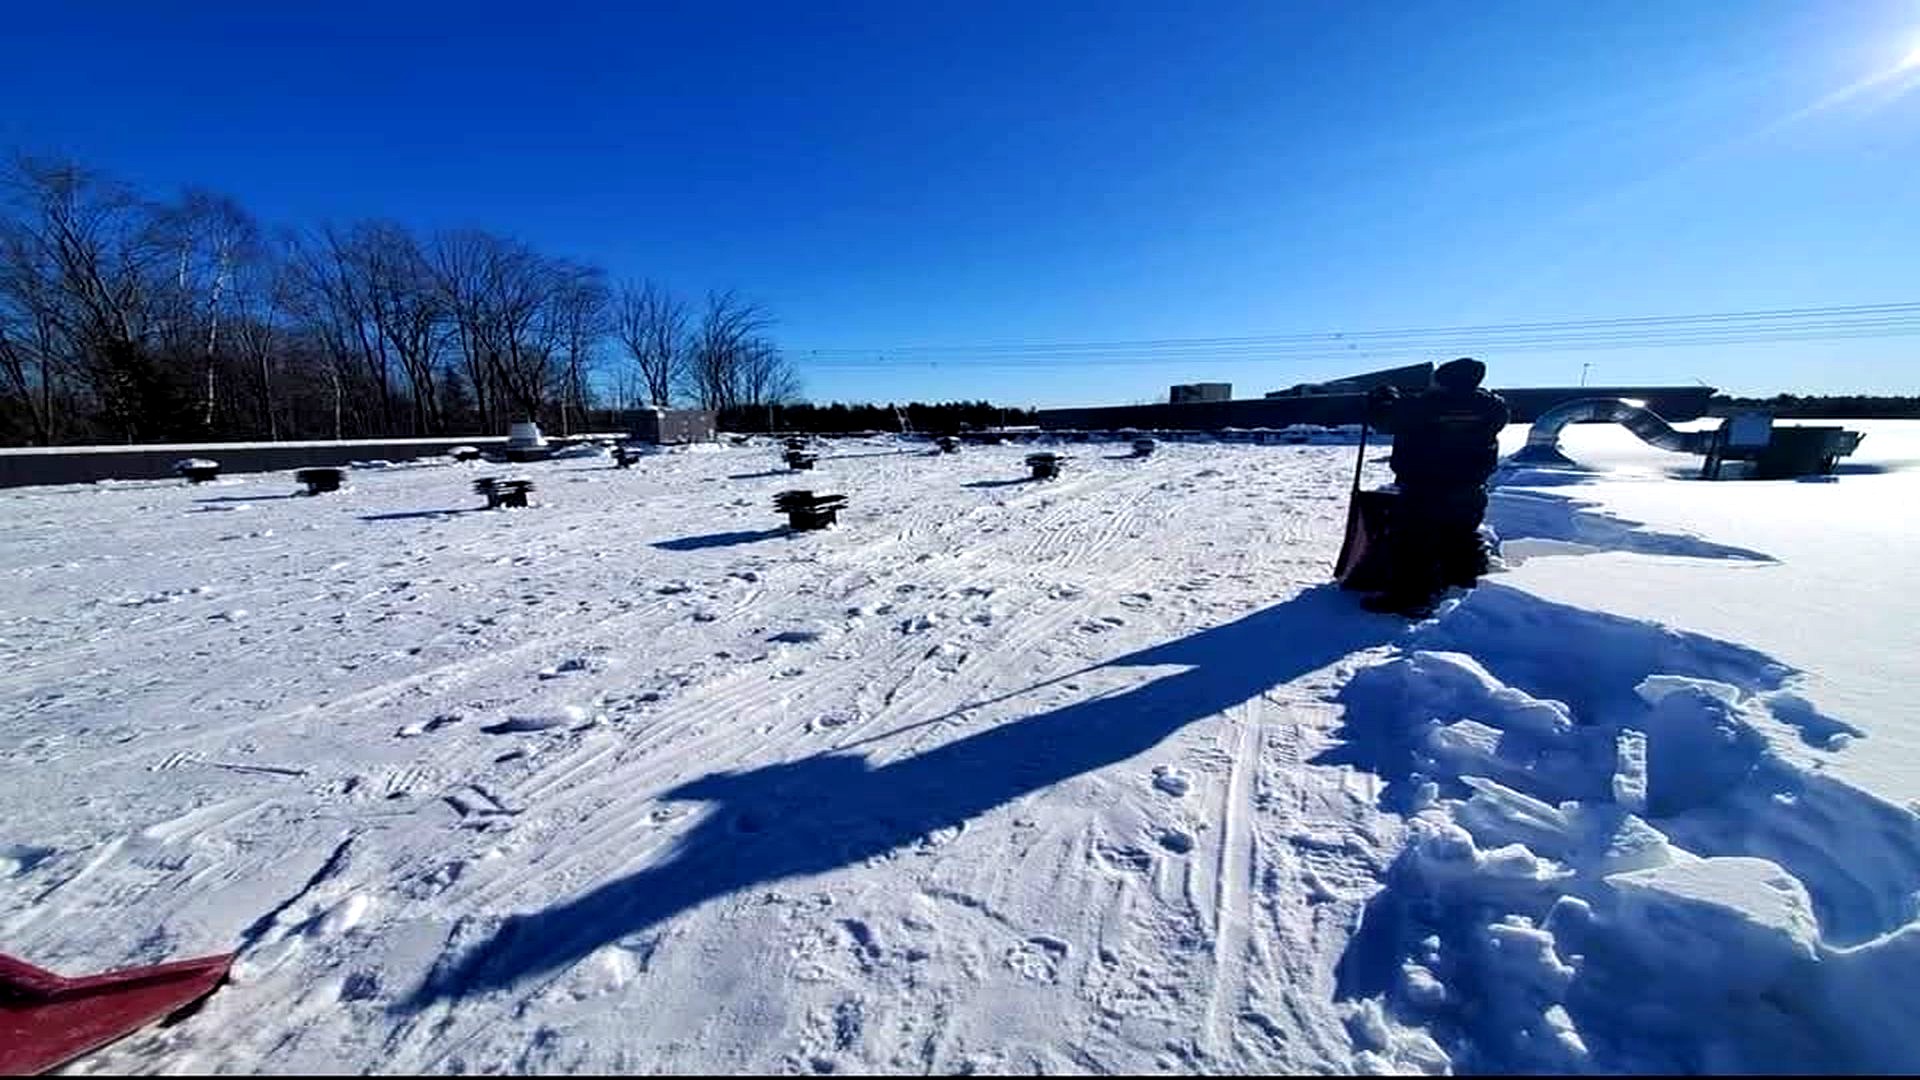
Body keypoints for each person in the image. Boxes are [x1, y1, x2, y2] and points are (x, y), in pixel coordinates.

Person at [1361, 357, 1510, 617]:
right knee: (1461, 534)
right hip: (1470, 486)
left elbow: (1386, 419)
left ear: (1443, 381)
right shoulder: (1493, 407)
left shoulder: (1424, 406)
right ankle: (1462, 581)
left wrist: (1381, 398)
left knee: (1413, 542)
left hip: (1425, 487)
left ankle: (1409, 598)